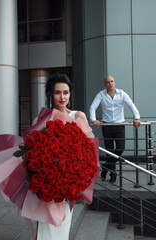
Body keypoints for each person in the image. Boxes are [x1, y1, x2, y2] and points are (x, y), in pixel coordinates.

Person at [32, 72, 89, 240]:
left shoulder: (78, 116)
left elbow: (87, 153)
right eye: (57, 92)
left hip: (68, 186)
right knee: (44, 231)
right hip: (45, 184)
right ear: (50, 94)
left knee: (62, 230)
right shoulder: (40, 120)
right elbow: (31, 154)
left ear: (70, 93)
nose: (62, 96)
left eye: (65, 92)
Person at [89, 75, 141, 183]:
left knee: (120, 148)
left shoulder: (122, 94)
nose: (110, 84)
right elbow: (92, 107)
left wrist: (137, 118)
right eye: (108, 82)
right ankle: (113, 175)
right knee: (109, 151)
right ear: (105, 84)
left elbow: (132, 105)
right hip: (107, 126)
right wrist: (94, 120)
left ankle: (106, 167)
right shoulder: (101, 95)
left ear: (114, 83)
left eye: (112, 81)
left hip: (119, 126)